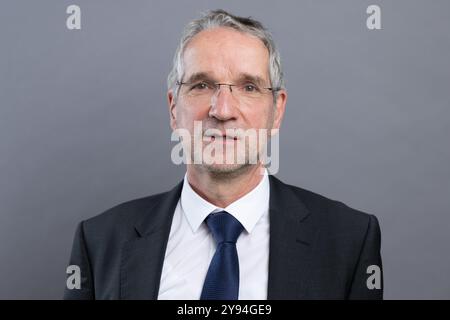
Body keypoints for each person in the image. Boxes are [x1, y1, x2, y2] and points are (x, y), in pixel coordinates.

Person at [64, 9, 383, 300]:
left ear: (277, 111)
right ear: (174, 108)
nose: (222, 110)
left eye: (249, 87)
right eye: (202, 85)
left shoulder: (349, 242)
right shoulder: (100, 241)